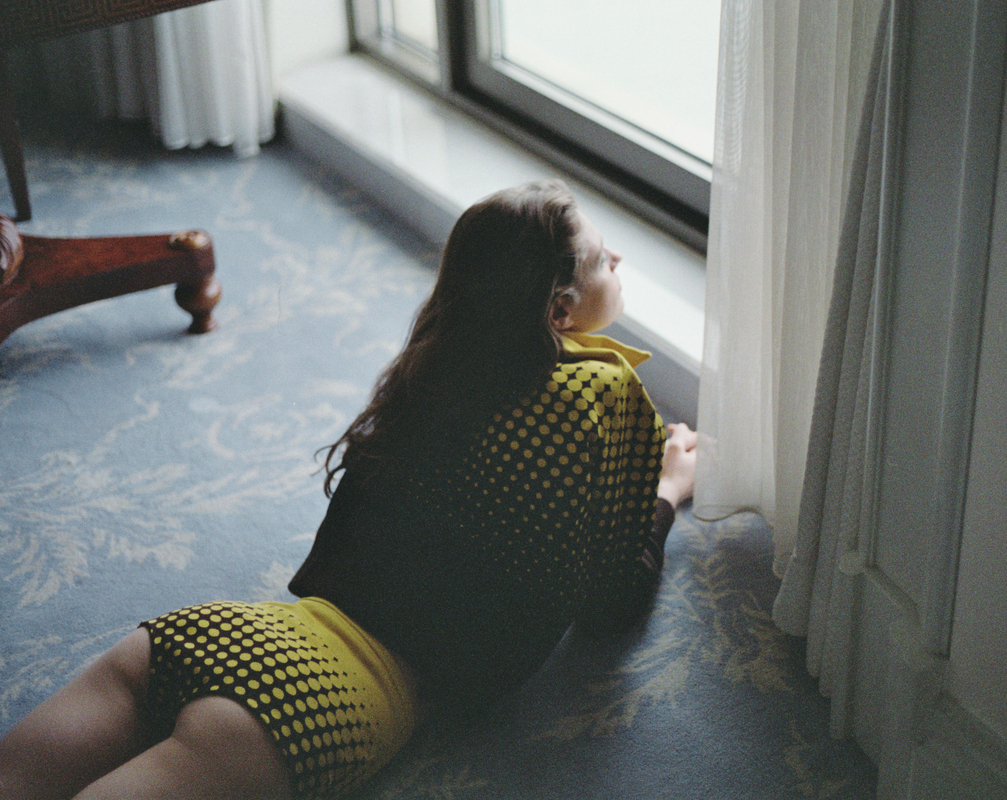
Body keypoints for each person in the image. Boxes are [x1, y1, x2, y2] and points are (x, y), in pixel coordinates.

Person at [0, 180, 698, 800]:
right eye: (605, 258)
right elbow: (612, 601)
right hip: (328, 697)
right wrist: (665, 489)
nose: (620, 263)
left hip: (244, 628)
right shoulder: (603, 394)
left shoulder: (435, 363)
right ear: (558, 311)